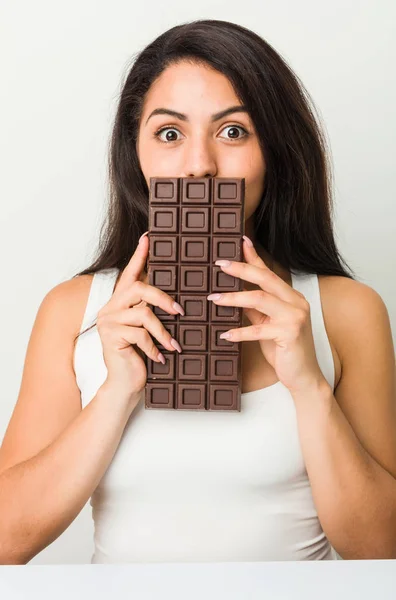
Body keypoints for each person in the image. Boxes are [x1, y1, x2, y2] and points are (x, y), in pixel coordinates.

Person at [1, 19, 395, 565]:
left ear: (274, 150)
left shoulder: (347, 313)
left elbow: (382, 550)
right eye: (169, 133)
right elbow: (6, 541)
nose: (199, 165)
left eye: (233, 131)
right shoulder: (76, 312)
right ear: (134, 155)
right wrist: (117, 391)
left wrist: (309, 388)